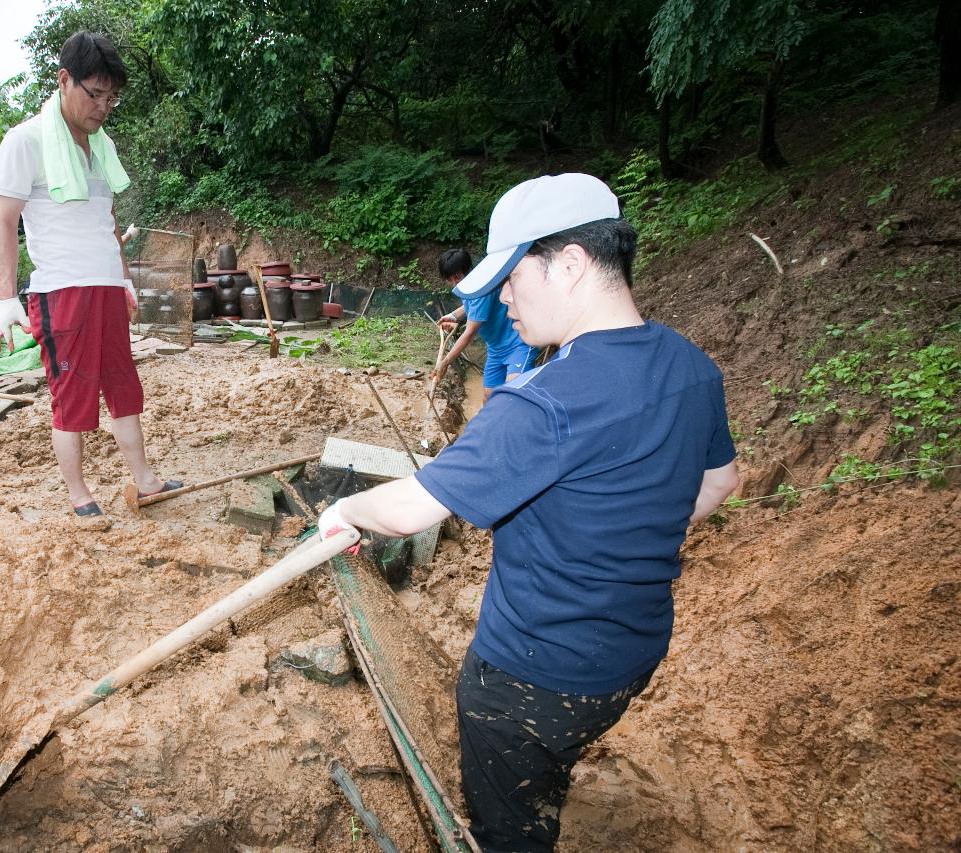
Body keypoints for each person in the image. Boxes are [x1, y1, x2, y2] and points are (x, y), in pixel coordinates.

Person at [317, 173, 741, 851]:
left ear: (570, 264)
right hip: (631, 655)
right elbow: (719, 483)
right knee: (556, 749)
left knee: (509, 829)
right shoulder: (692, 366)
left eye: (513, 275)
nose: (502, 295)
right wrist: (619, 529)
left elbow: (410, 506)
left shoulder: (544, 401)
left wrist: (341, 508)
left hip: (526, 684)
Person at [0, 30, 179, 517]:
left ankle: (145, 480)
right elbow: (5, 222)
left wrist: (123, 278)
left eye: (112, 98)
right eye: (95, 94)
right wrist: (6, 299)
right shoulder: (25, 141)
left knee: (123, 385)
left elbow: (107, 222)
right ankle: (79, 495)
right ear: (64, 80)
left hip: (106, 288)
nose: (103, 107)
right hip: (61, 293)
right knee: (72, 396)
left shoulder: (103, 146)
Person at [434, 247, 533, 401]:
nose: (454, 283)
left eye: (458, 277)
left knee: (512, 393)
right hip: (496, 348)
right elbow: (471, 307)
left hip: (518, 343)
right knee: (488, 397)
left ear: (468, 270)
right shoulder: (471, 286)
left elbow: (469, 333)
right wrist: (454, 316)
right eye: (449, 279)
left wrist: (445, 362)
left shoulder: (481, 289)